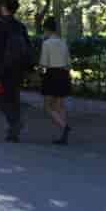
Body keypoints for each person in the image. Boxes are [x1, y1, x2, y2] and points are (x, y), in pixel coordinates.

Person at [0, 0, 31, 142]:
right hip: (17, 68)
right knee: (14, 97)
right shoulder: (20, 26)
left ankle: (14, 123)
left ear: (5, 8)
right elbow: (27, 47)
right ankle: (13, 132)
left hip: (2, 68)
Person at [39, 16, 72, 145]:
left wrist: (38, 72)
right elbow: (68, 63)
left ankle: (64, 127)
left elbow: (43, 63)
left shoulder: (46, 43)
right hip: (63, 74)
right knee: (60, 105)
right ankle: (63, 135)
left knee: (48, 106)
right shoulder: (63, 42)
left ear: (46, 29)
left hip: (52, 74)